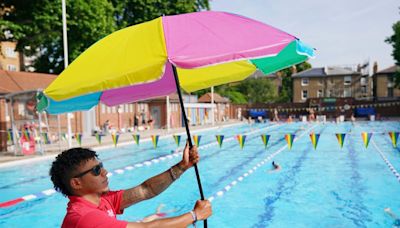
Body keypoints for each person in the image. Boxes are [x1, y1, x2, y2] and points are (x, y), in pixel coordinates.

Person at [49, 143, 212, 227]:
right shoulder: (85, 218)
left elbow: (145, 190)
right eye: (96, 170)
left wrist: (182, 167)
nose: (105, 172)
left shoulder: (102, 200)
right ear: (76, 183)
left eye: (102, 166)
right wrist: (195, 215)